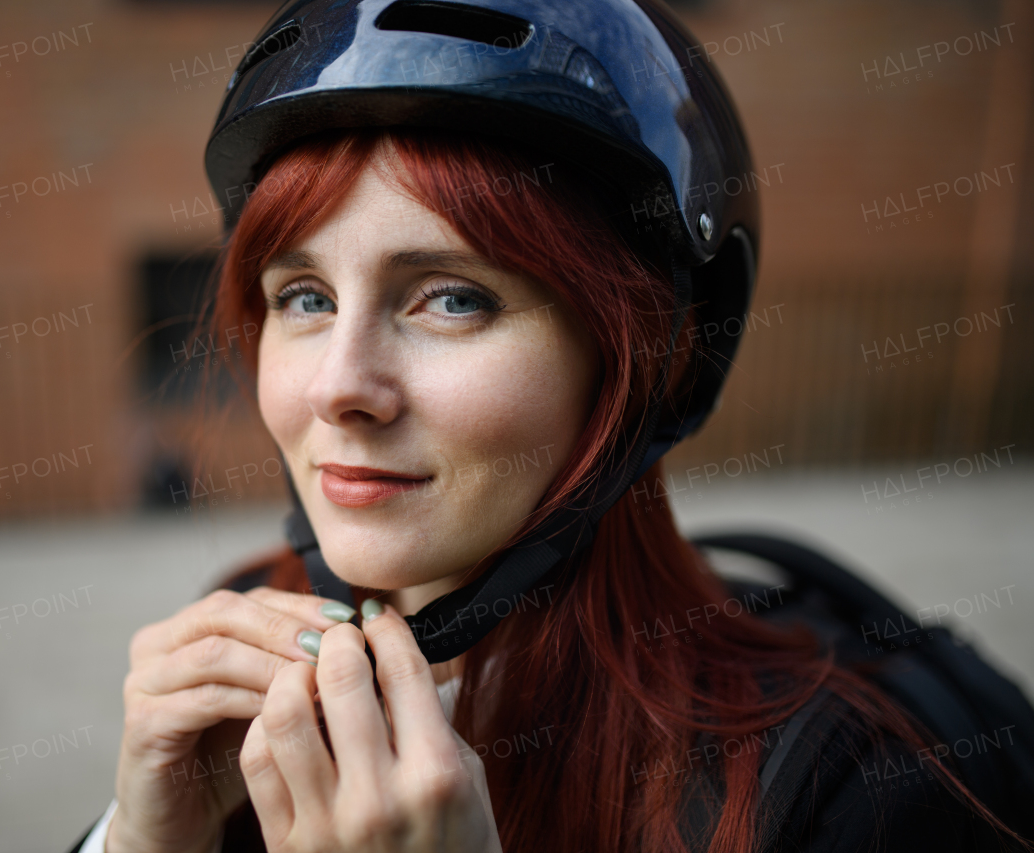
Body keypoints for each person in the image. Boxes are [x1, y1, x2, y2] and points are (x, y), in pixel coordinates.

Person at [70, 1, 1027, 851]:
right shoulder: (240, 642)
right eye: (305, 295)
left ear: (652, 363)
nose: (338, 387)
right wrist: (136, 841)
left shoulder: (850, 794)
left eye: (451, 299)